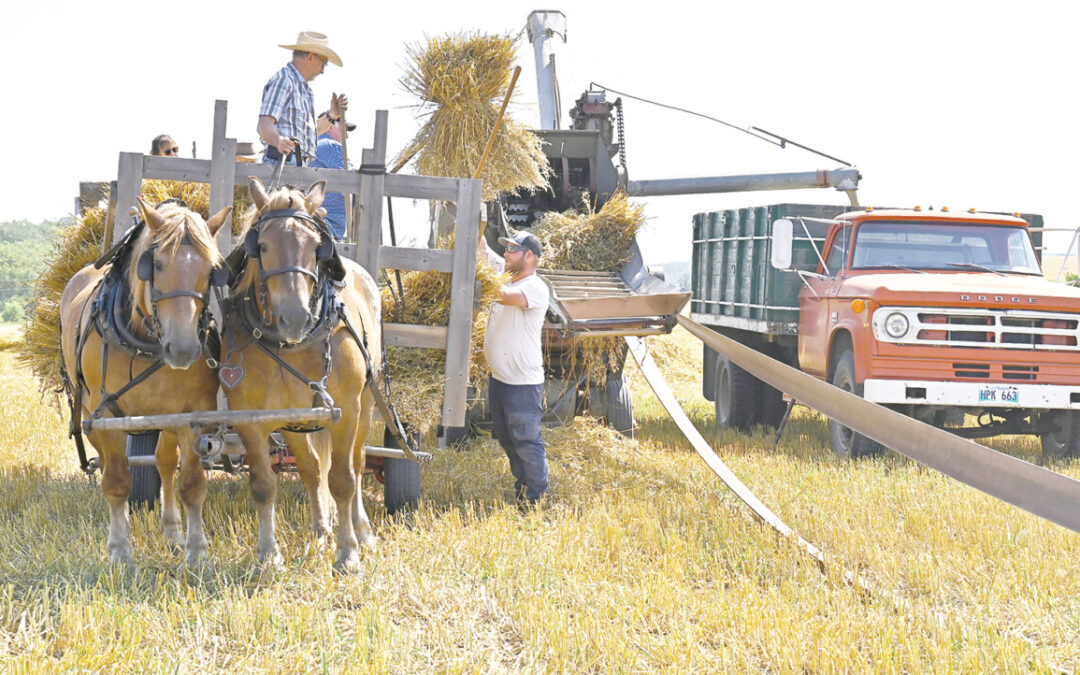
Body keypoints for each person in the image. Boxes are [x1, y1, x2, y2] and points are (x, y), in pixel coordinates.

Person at [479, 229, 551, 505]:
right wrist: (471, 215)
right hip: (500, 380)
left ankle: (536, 500)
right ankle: (523, 490)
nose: (506, 254)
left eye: (512, 250)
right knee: (508, 440)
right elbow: (483, 251)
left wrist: (485, 275)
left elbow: (503, 295)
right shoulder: (508, 273)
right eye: (506, 249)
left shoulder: (534, 287)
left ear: (529, 255)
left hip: (523, 384)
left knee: (526, 442)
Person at [257, 31, 349, 166]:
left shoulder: (304, 89)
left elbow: (310, 132)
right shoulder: (284, 80)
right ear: (311, 57)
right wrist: (278, 141)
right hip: (283, 162)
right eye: (323, 63)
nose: (322, 70)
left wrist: (332, 115)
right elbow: (264, 124)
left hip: (297, 164)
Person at [309, 116, 356, 239]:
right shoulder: (330, 145)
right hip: (326, 226)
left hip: (319, 222)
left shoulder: (313, 147)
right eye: (344, 129)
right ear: (330, 126)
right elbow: (356, 179)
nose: (346, 136)